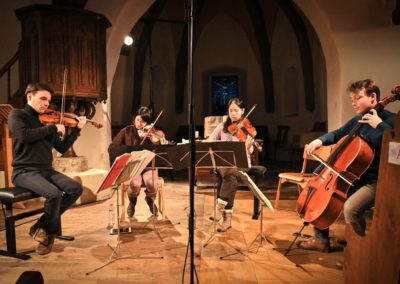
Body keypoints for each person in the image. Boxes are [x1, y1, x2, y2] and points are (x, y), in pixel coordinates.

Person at [298, 79, 395, 253]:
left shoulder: (391, 121)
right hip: (354, 178)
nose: (353, 103)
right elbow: (338, 134)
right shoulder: (358, 120)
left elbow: (396, 145)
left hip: (376, 182)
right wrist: (319, 140)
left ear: (373, 97)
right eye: (352, 99)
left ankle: (358, 253)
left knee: (351, 208)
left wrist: (379, 126)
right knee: (319, 198)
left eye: (357, 98)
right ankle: (321, 241)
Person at [8, 83, 87, 255]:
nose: (46, 104)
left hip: (46, 170)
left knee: (75, 188)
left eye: (48, 100)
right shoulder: (17, 115)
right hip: (24, 171)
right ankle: (49, 235)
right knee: (54, 194)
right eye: (42, 98)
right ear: (30, 96)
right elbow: (23, 136)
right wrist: (52, 128)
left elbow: (62, 147)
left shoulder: (47, 119)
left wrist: (76, 131)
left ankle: (41, 226)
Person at [108, 106, 168, 218]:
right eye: (138, 120)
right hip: (133, 166)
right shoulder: (126, 131)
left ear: (148, 123)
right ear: (134, 119)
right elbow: (112, 148)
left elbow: (161, 147)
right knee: (135, 184)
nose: (140, 123)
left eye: (143, 121)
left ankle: (150, 200)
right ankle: (132, 201)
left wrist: (155, 140)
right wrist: (125, 154)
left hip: (149, 166)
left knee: (152, 184)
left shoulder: (152, 134)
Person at [207, 98, 255, 232]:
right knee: (230, 175)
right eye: (231, 110)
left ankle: (219, 208)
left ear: (243, 111)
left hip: (241, 163)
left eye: (236, 110)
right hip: (225, 164)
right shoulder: (222, 127)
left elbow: (250, 152)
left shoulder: (246, 129)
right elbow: (210, 141)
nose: (233, 113)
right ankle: (227, 219)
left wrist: (249, 146)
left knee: (230, 173)